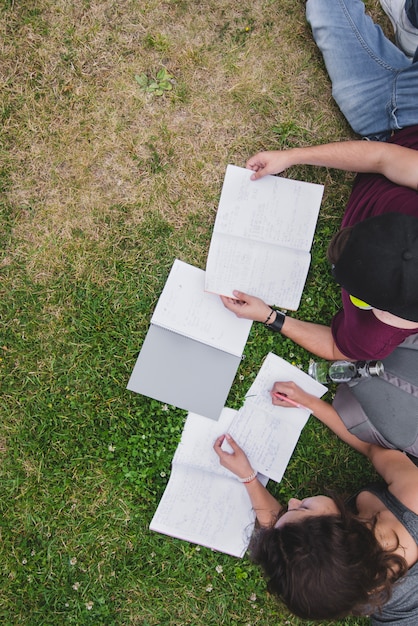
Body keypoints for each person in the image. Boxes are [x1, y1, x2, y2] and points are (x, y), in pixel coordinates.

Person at [221, 0, 418, 362]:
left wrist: (268, 316)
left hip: (381, 128)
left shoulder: (379, 333)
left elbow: (336, 347)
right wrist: (291, 156)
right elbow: (382, 158)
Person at [213, 380, 418, 624]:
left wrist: (249, 478)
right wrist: (308, 402)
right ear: (342, 529)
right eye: (304, 507)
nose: (292, 501)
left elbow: (288, 543)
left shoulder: (339, 587)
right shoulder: (411, 499)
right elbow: (373, 449)